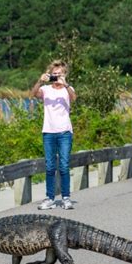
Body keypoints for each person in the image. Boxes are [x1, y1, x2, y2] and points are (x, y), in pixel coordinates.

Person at [31, 60, 77, 210]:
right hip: (49, 132)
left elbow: (74, 98)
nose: (56, 77)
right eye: (54, 74)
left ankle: (66, 197)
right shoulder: (46, 89)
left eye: (59, 74)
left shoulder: (67, 89)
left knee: (63, 165)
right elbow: (33, 94)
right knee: (50, 166)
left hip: (64, 131)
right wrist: (40, 80)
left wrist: (66, 84)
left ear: (64, 74)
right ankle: (49, 198)